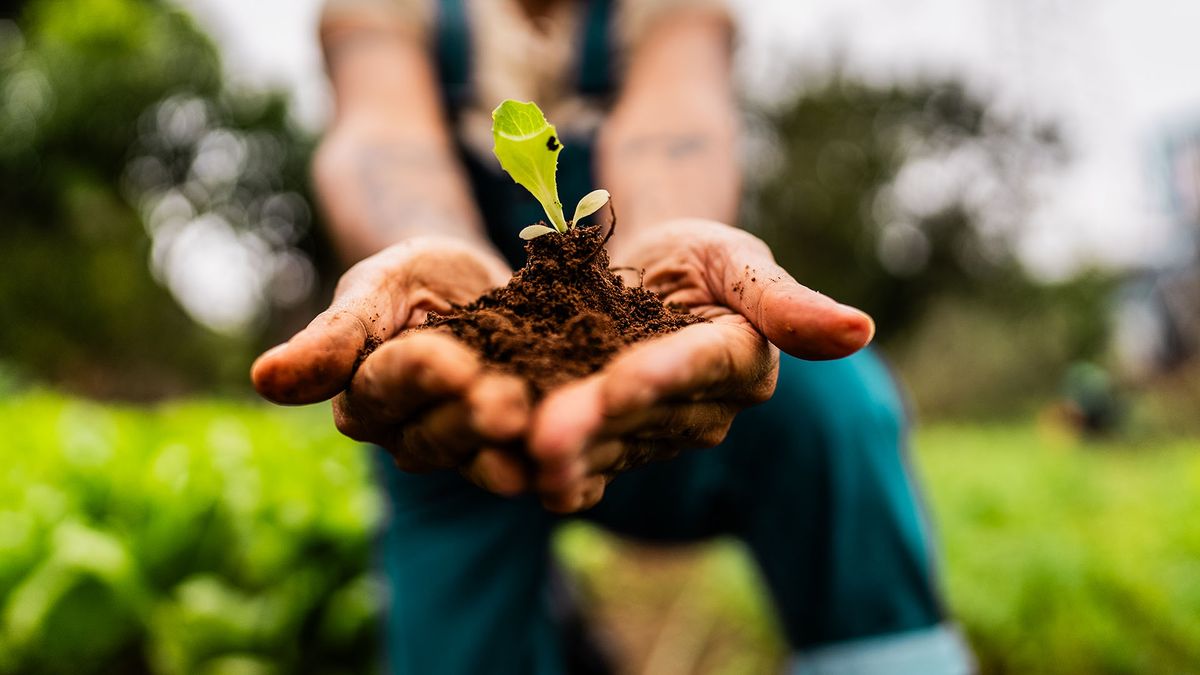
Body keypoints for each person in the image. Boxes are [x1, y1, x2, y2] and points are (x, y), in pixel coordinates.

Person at [251, 0, 974, 672]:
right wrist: (429, 255)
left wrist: (662, 240)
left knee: (835, 410)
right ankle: (558, 627)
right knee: (456, 632)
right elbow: (384, 140)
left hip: (652, 352)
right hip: (452, 398)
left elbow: (674, 126)